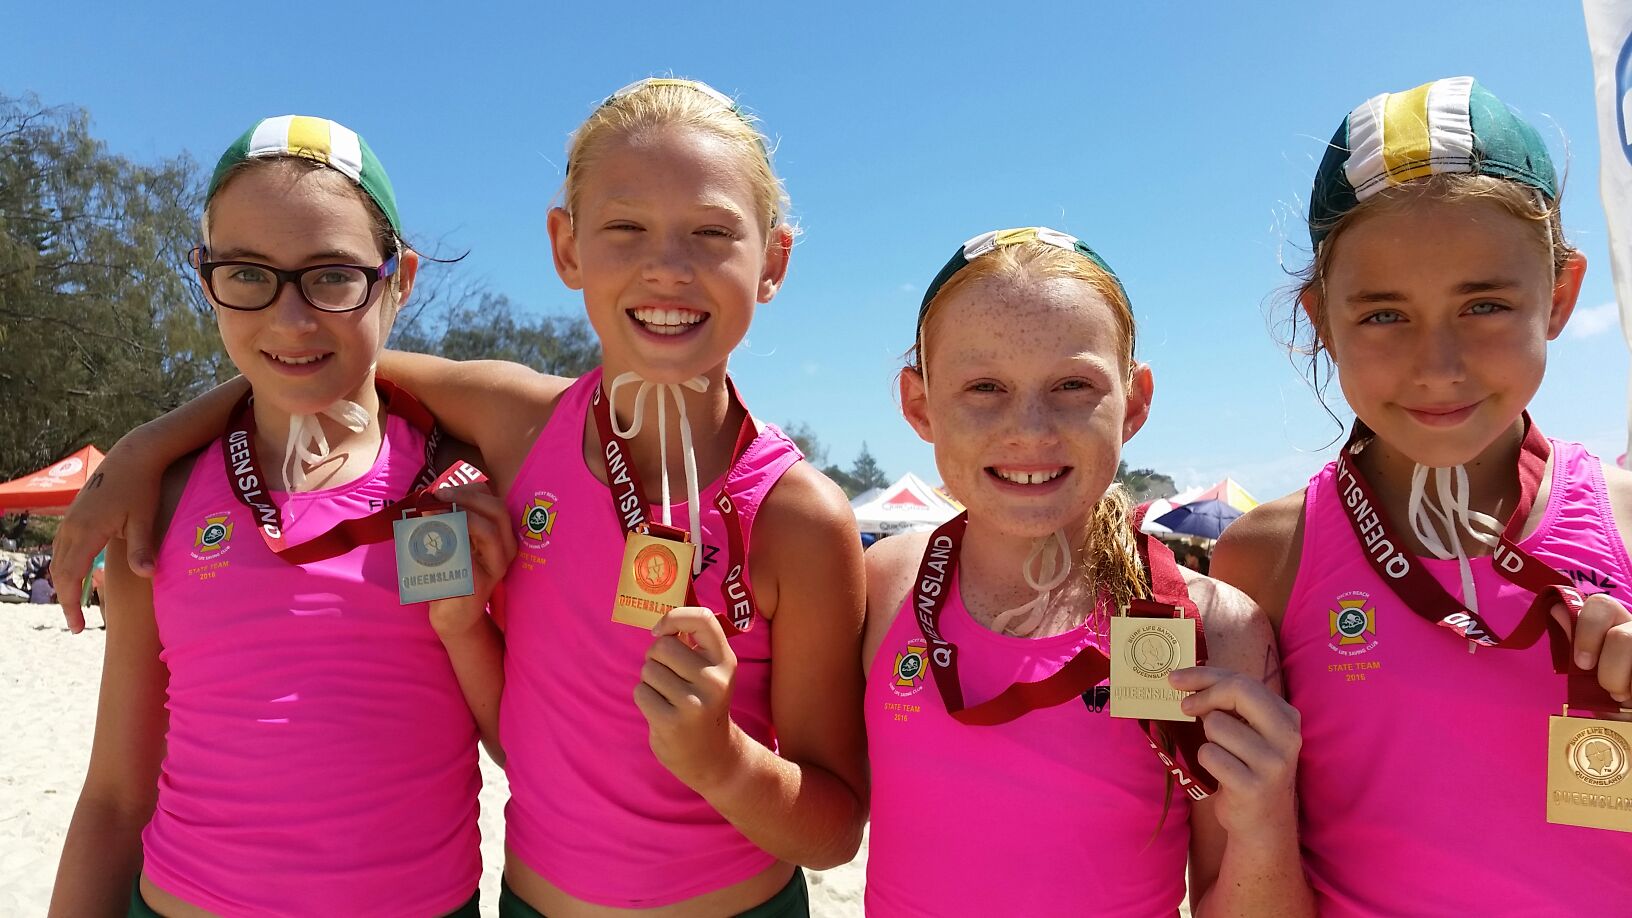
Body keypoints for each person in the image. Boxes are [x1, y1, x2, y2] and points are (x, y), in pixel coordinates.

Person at [51, 80, 867, 917]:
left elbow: (837, 828)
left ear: (773, 261)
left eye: (712, 231)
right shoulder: (523, 427)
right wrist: (145, 448)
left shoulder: (794, 518)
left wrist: (725, 761)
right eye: (626, 227)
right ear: (567, 246)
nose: (668, 264)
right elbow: (316, 363)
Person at [49, 116, 510, 917]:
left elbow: (525, 751)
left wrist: (468, 628)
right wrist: (147, 448)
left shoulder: (459, 485)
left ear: (399, 281)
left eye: (333, 277)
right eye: (249, 274)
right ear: (206, 280)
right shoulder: (156, 502)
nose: (290, 319)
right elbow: (116, 799)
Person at [1211, 77, 1632, 914]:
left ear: (1558, 297)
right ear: (1318, 320)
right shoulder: (1265, 556)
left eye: (1483, 303)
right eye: (1383, 316)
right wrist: (1254, 822)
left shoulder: (1624, 517)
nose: (1438, 365)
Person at [861, 227, 1310, 917]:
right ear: (919, 405)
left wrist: (1265, 822)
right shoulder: (885, 582)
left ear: (1134, 402)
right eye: (985, 386)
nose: (1031, 429)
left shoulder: (1215, 627)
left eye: (1073, 385)